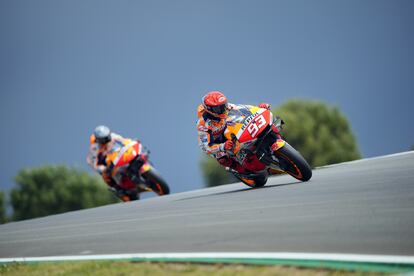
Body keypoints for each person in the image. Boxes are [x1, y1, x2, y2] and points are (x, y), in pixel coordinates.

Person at [196, 91, 271, 174]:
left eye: (223, 105)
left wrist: (259, 109)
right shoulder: (203, 124)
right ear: (209, 110)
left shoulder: (227, 107)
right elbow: (206, 147)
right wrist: (222, 146)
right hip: (217, 142)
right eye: (218, 108)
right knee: (222, 159)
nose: (223, 109)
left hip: (229, 130)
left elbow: (244, 109)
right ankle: (243, 171)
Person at [86, 125, 134, 200]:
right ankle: (118, 190)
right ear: (98, 140)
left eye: (107, 136)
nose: (107, 139)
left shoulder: (113, 136)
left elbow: (124, 141)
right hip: (109, 164)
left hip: (119, 156)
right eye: (103, 139)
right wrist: (101, 168)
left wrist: (131, 143)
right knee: (105, 176)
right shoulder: (94, 147)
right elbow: (91, 162)